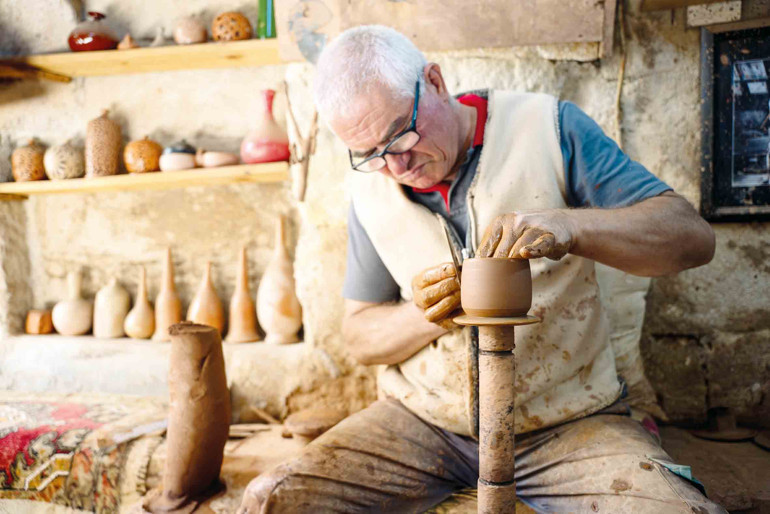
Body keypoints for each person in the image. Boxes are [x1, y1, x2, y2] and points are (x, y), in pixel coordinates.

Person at [238, 25, 723, 513]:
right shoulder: (370, 191)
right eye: (370, 154)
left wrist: (571, 226)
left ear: (434, 81)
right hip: (425, 426)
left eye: (399, 136)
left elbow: (691, 239)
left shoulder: (548, 128)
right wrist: (426, 314)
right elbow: (360, 336)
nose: (397, 166)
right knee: (269, 501)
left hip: (567, 424)